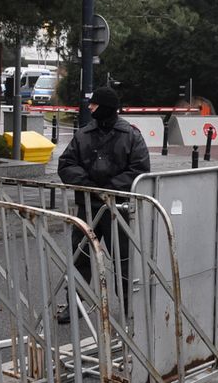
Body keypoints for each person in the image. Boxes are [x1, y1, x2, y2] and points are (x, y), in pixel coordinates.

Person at [57, 86, 151, 321]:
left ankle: (130, 305)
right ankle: (74, 304)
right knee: (80, 257)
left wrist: (109, 188)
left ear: (106, 107)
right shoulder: (84, 134)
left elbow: (139, 170)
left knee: (123, 261)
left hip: (116, 209)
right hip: (87, 206)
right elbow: (66, 164)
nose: (89, 108)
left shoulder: (130, 135)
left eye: (94, 104)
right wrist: (87, 184)